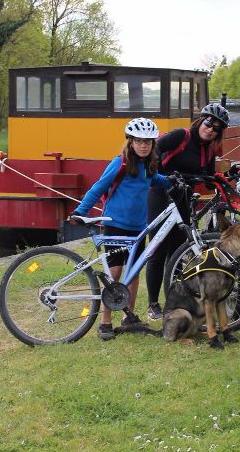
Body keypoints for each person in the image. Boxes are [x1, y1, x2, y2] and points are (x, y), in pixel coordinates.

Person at [70, 117, 171, 340]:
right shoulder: (121, 164)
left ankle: (129, 317)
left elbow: (155, 180)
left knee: (133, 273)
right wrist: (81, 211)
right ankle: (105, 323)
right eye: (139, 141)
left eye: (148, 142)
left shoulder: (149, 165)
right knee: (113, 274)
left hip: (138, 228)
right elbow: (98, 187)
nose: (144, 145)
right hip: (115, 225)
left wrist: (172, 180)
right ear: (131, 142)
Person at [144, 103, 229, 321]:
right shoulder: (181, 136)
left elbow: (208, 179)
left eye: (216, 128)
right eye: (209, 123)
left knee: (178, 252)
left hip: (182, 199)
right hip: (161, 196)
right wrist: (162, 176)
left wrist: (224, 177)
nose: (210, 129)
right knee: (158, 249)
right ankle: (153, 303)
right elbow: (155, 150)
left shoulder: (208, 150)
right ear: (201, 120)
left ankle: (174, 300)